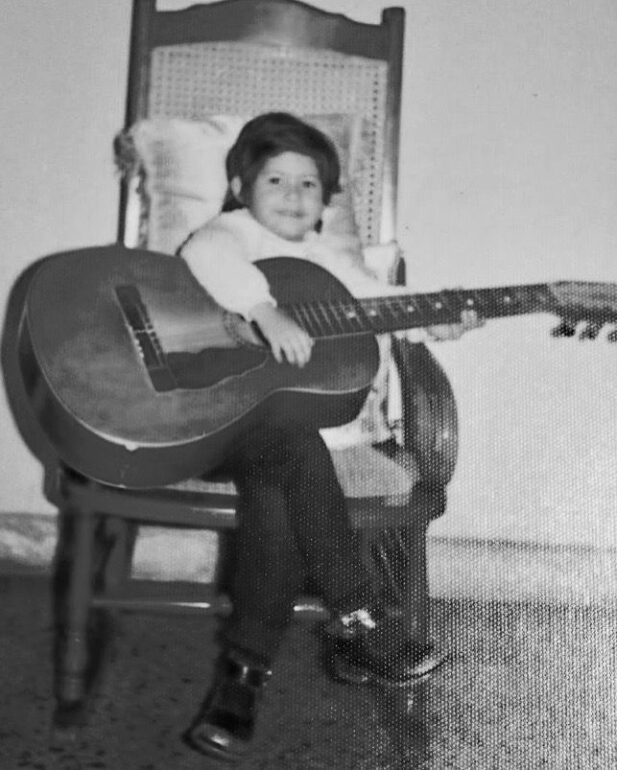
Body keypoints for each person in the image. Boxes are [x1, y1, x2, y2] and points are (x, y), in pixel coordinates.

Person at [179, 112, 480, 761]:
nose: (293, 194)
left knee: (285, 472)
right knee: (293, 449)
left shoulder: (329, 263)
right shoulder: (230, 234)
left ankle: (242, 679)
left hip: (283, 450)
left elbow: (383, 303)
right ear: (240, 186)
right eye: (275, 180)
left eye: (309, 184)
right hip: (205, 426)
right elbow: (206, 257)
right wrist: (262, 311)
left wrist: (438, 316)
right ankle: (358, 616)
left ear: (326, 199)